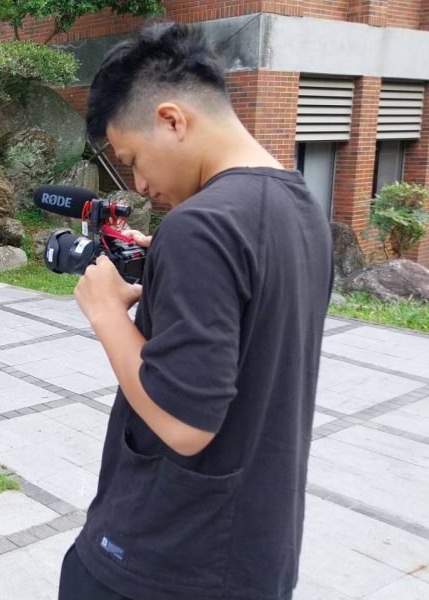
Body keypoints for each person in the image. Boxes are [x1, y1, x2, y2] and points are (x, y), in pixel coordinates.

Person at [61, 22, 332, 600]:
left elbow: (183, 424)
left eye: (133, 159)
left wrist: (107, 313)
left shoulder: (200, 226)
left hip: (166, 558)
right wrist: (167, 269)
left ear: (172, 120)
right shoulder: (301, 205)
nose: (139, 183)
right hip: (256, 550)